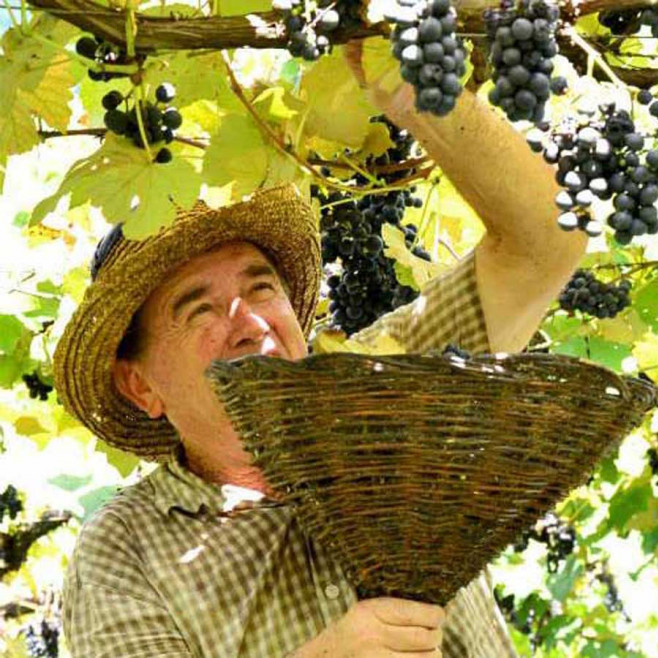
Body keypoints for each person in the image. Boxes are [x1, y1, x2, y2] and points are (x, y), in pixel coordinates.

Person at [54, 41, 588, 658]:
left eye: (262, 286)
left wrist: (407, 77)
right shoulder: (124, 550)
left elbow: (547, 240)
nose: (249, 321)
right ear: (140, 385)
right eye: (198, 309)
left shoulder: (390, 388)